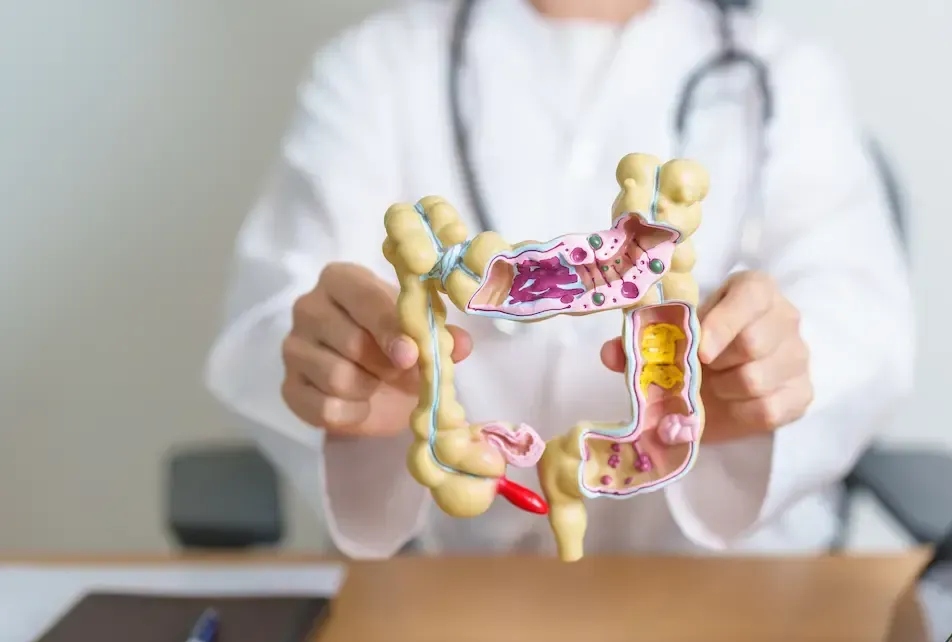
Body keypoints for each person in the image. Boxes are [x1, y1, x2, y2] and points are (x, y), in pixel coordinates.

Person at [204, 0, 915, 558]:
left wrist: (772, 372)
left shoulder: (787, 76)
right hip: (440, 594)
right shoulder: (374, 68)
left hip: (725, 599)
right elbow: (274, 320)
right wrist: (338, 373)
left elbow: (863, 326)